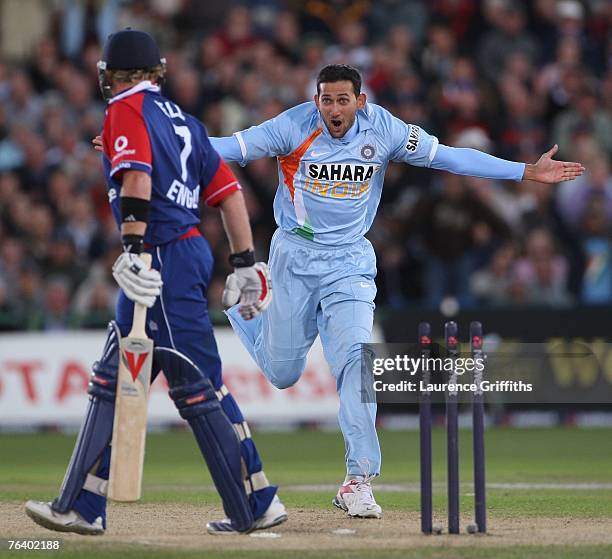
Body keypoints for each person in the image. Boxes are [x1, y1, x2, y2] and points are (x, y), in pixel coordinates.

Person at [211, 64, 584, 518]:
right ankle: (248, 309)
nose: (333, 109)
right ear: (317, 101)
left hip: (349, 260)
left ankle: (357, 479)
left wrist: (525, 171)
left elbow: (449, 156)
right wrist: (157, 149)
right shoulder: (293, 126)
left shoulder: (384, 129)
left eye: (342, 100)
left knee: (356, 359)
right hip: (296, 257)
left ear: (360, 101)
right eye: (326, 100)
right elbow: (230, 147)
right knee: (284, 374)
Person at [25, 28, 286, 536]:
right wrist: (244, 264)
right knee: (117, 379)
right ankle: (81, 504)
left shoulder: (125, 108)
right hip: (183, 251)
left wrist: (133, 250)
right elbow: (231, 196)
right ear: (158, 72)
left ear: (112, 76)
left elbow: (139, 180)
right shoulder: (185, 122)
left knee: (196, 385)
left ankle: (254, 502)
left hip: (160, 255)